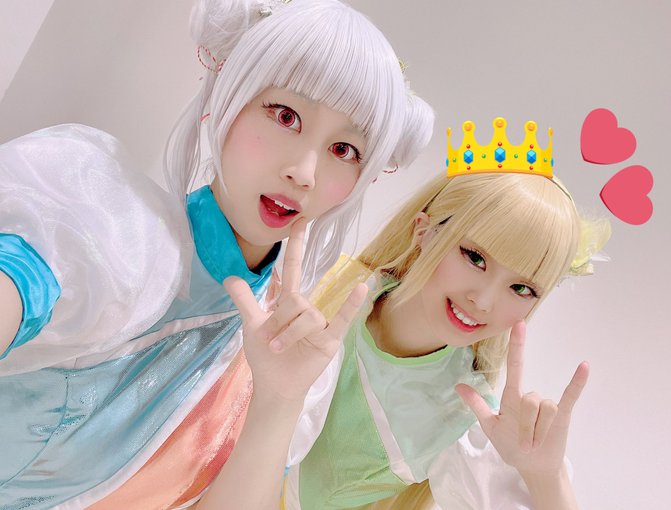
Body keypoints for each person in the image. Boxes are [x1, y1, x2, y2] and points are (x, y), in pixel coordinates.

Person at [0, 0, 433, 507]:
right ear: (228, 99)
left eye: (344, 150)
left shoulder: (298, 357)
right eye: (286, 116)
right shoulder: (103, 224)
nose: (303, 172)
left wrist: (279, 400)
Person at [210, 118, 610, 509]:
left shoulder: (462, 415)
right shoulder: (322, 282)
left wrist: (546, 479)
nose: (485, 301)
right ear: (424, 231)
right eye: (475, 257)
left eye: (521, 288)